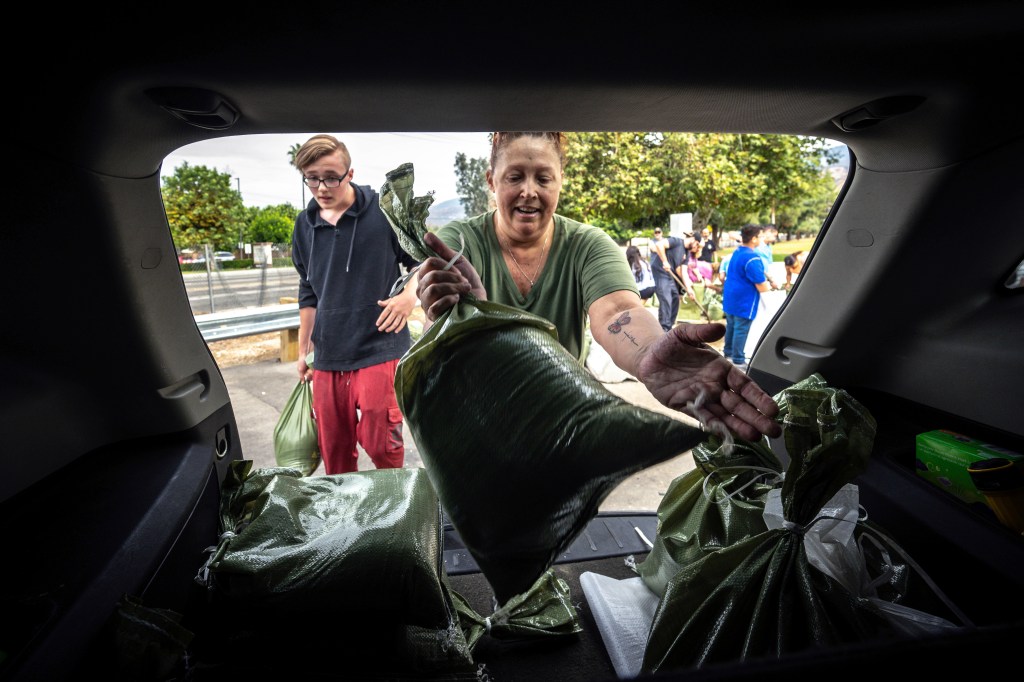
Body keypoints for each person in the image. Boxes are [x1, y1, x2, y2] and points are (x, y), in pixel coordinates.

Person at [415, 131, 781, 442]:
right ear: (491, 181)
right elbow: (443, 343)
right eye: (515, 177)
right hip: (475, 423)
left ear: (561, 181)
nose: (529, 191)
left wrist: (648, 354)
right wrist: (466, 315)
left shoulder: (589, 245)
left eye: (543, 178)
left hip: (558, 423)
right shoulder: (459, 242)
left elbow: (617, 312)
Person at [290, 134, 421, 474]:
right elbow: (308, 291)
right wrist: (304, 351)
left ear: (350, 173)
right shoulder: (303, 227)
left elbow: (421, 264)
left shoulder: (384, 212)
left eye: (331, 176)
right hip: (328, 353)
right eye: (312, 178)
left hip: (381, 345)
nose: (322, 187)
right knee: (334, 453)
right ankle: (345, 521)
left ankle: (393, 510)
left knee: (383, 444)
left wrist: (409, 297)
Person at [722, 224, 772, 370]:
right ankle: (738, 359)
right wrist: (771, 286)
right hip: (744, 300)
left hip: (731, 297)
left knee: (731, 325)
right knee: (741, 328)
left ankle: (728, 354)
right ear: (754, 238)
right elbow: (761, 284)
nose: (762, 239)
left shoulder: (737, 252)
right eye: (760, 236)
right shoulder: (752, 257)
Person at [650, 227, 687, 329]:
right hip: (659, 270)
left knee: (675, 297)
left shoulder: (684, 251)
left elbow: (680, 268)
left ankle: (669, 325)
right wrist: (665, 261)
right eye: (656, 232)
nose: (657, 233)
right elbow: (655, 247)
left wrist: (688, 286)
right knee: (666, 299)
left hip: (669, 273)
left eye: (659, 232)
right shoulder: (657, 242)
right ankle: (664, 328)